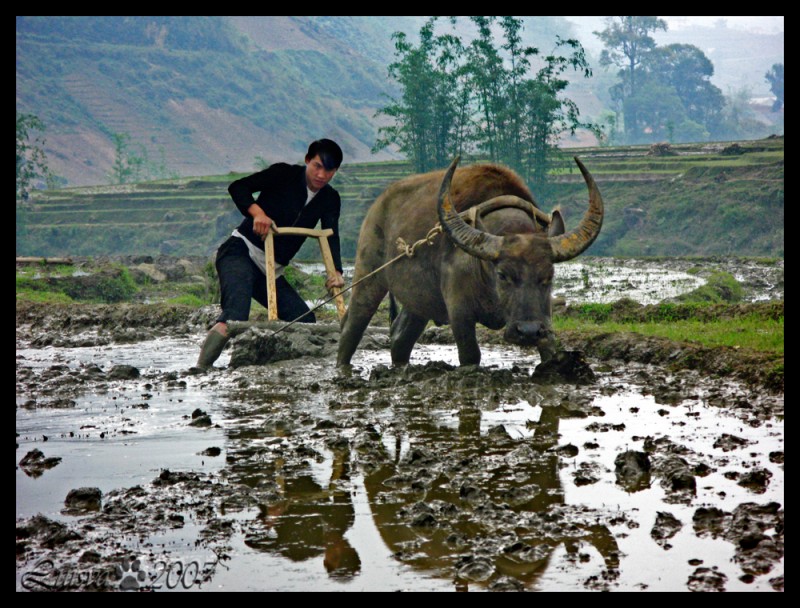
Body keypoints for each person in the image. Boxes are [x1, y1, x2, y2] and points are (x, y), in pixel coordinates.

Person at [196, 139, 345, 369]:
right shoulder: (283, 174)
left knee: (304, 320)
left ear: (335, 171)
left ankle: (276, 366)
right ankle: (199, 370)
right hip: (241, 252)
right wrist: (258, 213)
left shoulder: (330, 198)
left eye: (329, 170)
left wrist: (335, 271)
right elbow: (238, 187)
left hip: (271, 270)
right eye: (317, 166)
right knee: (235, 317)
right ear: (307, 161)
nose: (321, 175)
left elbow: (330, 235)